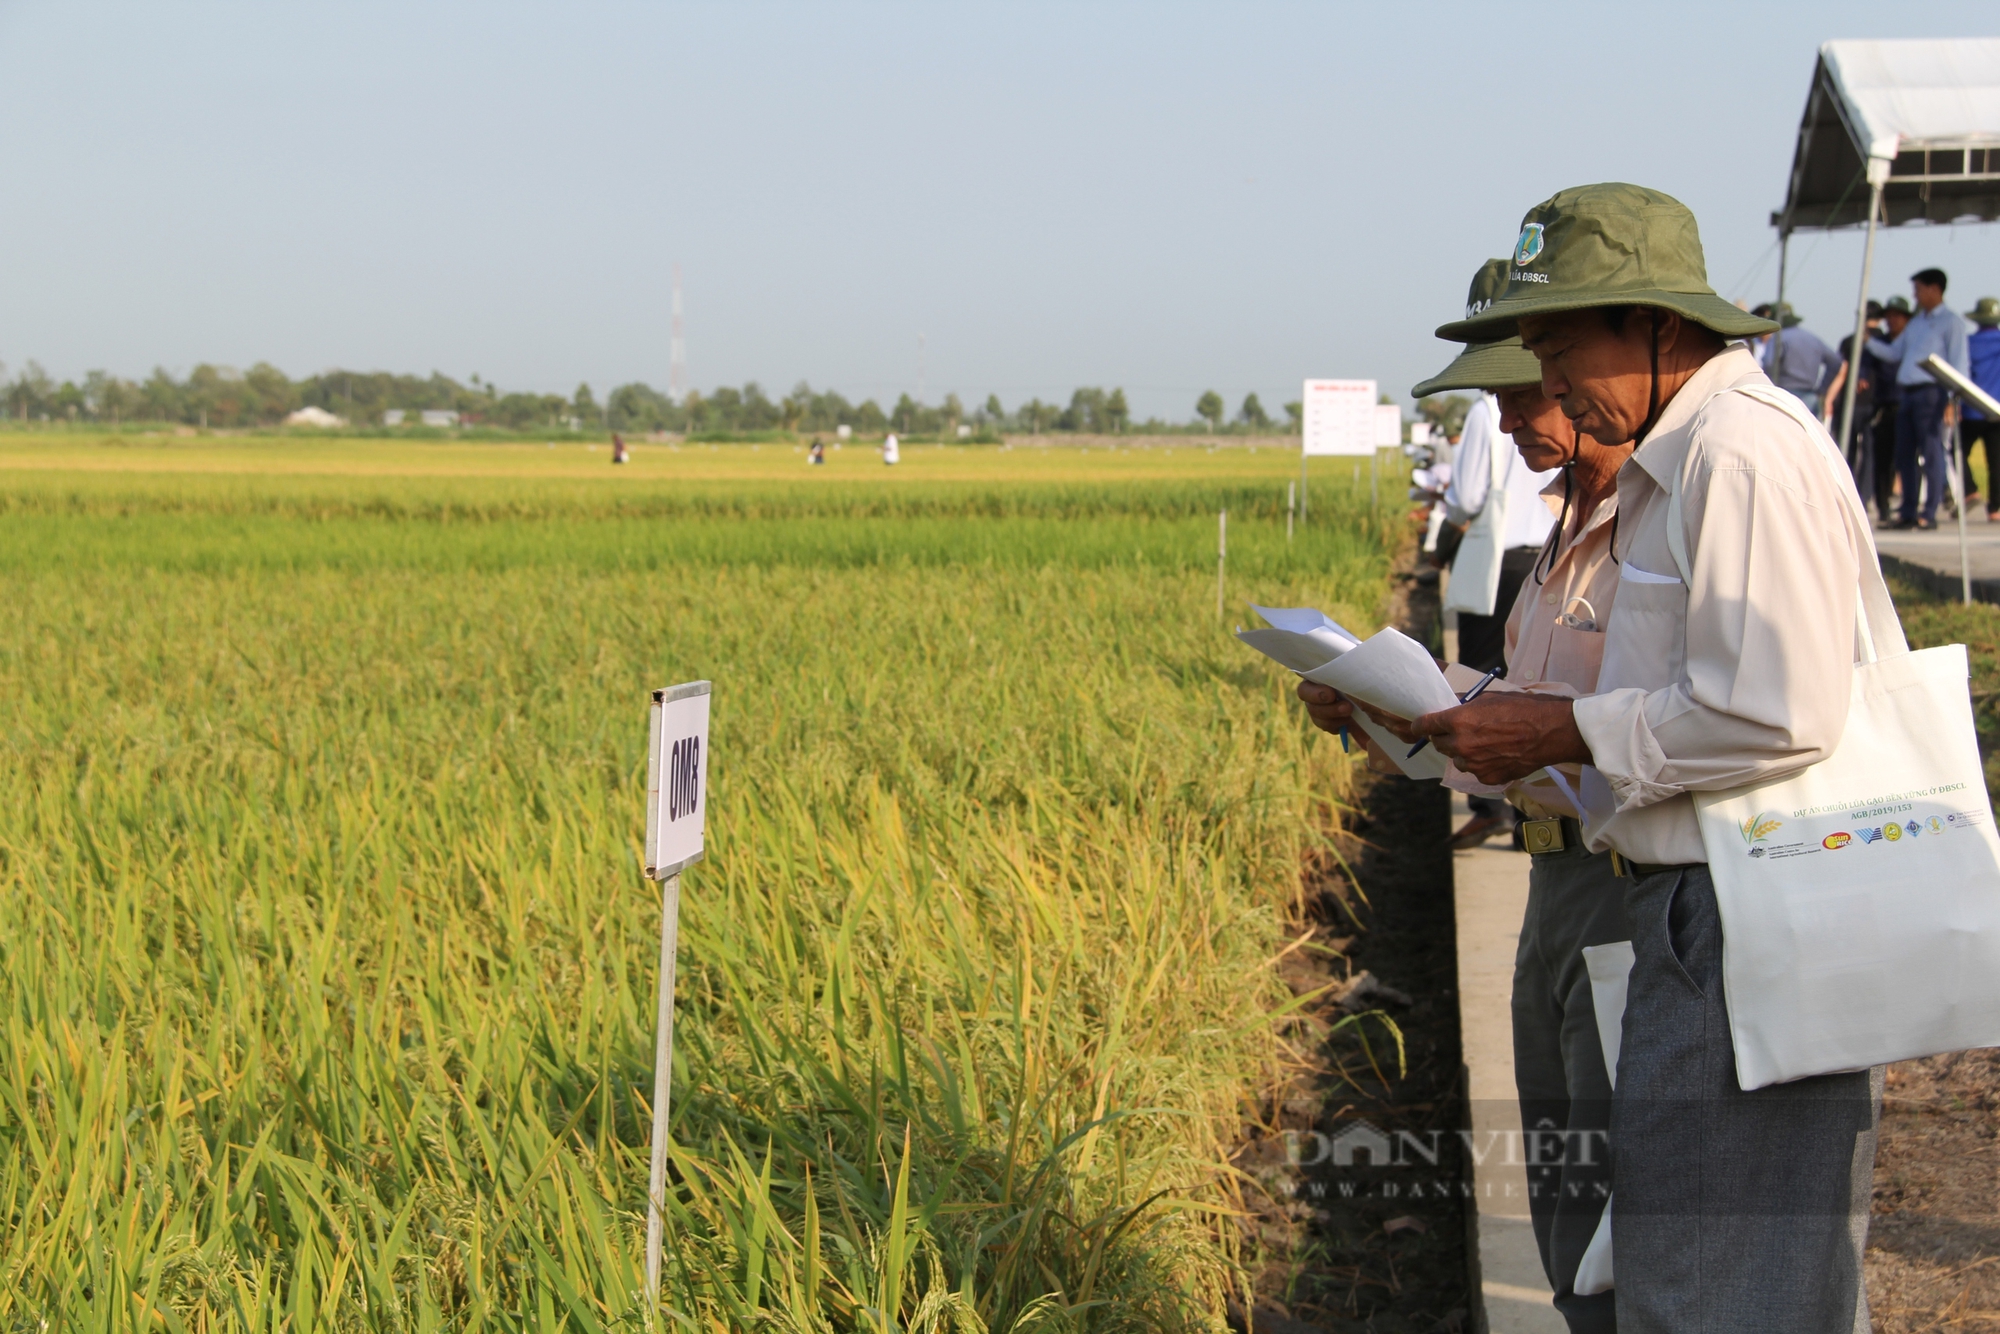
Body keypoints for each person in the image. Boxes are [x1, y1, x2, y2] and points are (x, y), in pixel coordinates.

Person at [1416, 183, 1881, 1331]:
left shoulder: (1741, 457)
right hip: (1684, 905)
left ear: (1659, 328)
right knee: (1673, 1271)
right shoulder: (1677, 463)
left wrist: (1567, 728)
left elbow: (1776, 707)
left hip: (1739, 902)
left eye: (1562, 352)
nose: (1549, 389)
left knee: (1717, 1286)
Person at [1311, 255, 1634, 1332]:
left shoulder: (1667, 519)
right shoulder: (1563, 521)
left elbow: (1666, 723)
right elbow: (1532, 714)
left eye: (1515, 390)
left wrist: (1526, 725)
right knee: (1562, 1174)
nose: (1501, 418)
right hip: (1556, 871)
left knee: (1620, 1187)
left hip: (1628, 882)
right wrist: (1390, 705)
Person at [1435, 322, 1558, 847]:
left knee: (1479, 677)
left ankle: (1490, 804)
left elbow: (1466, 495)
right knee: (1534, 680)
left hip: (1498, 561)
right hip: (1551, 555)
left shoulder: (1487, 413)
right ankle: (1534, 808)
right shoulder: (1561, 398)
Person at [1870, 267, 1972, 529]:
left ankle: (1930, 512)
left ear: (1933, 289)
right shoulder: (1915, 323)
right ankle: (1907, 511)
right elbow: (1894, 354)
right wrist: (1867, 341)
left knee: (1931, 450)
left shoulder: (1951, 322)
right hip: (1907, 392)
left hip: (1932, 392)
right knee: (1904, 453)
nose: (1915, 296)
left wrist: (1952, 399)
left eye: (1918, 290)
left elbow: (1959, 363)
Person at [1825, 300, 1885, 508]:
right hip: (1874, 403)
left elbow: (1841, 370)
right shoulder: (1885, 341)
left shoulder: (1849, 341)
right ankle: (1865, 496)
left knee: (1845, 451)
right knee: (1870, 453)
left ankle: (1846, 495)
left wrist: (1829, 397)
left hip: (1849, 402)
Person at [1749, 302, 1843, 416]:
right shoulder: (1812, 339)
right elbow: (1836, 362)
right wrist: (1822, 389)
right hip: (1810, 398)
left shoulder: (1778, 338)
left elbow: (1768, 363)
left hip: (1784, 396)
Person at [1964, 296, 2000, 518]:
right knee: (1996, 461)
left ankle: (1970, 490)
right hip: (1996, 409)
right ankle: (1995, 509)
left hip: (1971, 408)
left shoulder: (1969, 343)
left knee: (1956, 452)